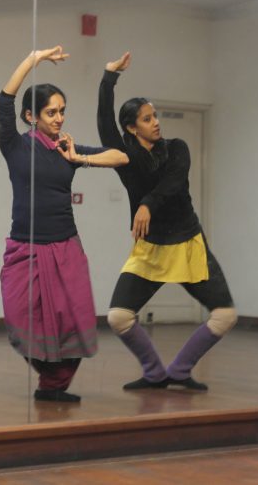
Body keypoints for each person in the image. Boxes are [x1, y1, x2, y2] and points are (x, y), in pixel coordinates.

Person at [97, 52, 237, 391]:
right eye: (147, 118)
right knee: (118, 317)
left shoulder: (177, 147)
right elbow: (105, 125)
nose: (156, 122)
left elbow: (174, 182)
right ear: (132, 128)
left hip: (188, 243)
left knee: (225, 315)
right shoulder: (126, 158)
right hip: (150, 249)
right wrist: (108, 78)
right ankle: (154, 372)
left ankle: (180, 369)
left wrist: (146, 204)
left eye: (155, 115)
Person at [0, 46, 129, 403]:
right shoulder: (14, 145)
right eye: (51, 112)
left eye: (62, 111)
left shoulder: (65, 149)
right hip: (24, 247)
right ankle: (51, 377)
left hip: (65, 246)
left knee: (73, 318)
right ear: (31, 116)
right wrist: (33, 59)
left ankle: (53, 386)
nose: (59, 118)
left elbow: (121, 156)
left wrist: (79, 158)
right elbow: (5, 97)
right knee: (19, 321)